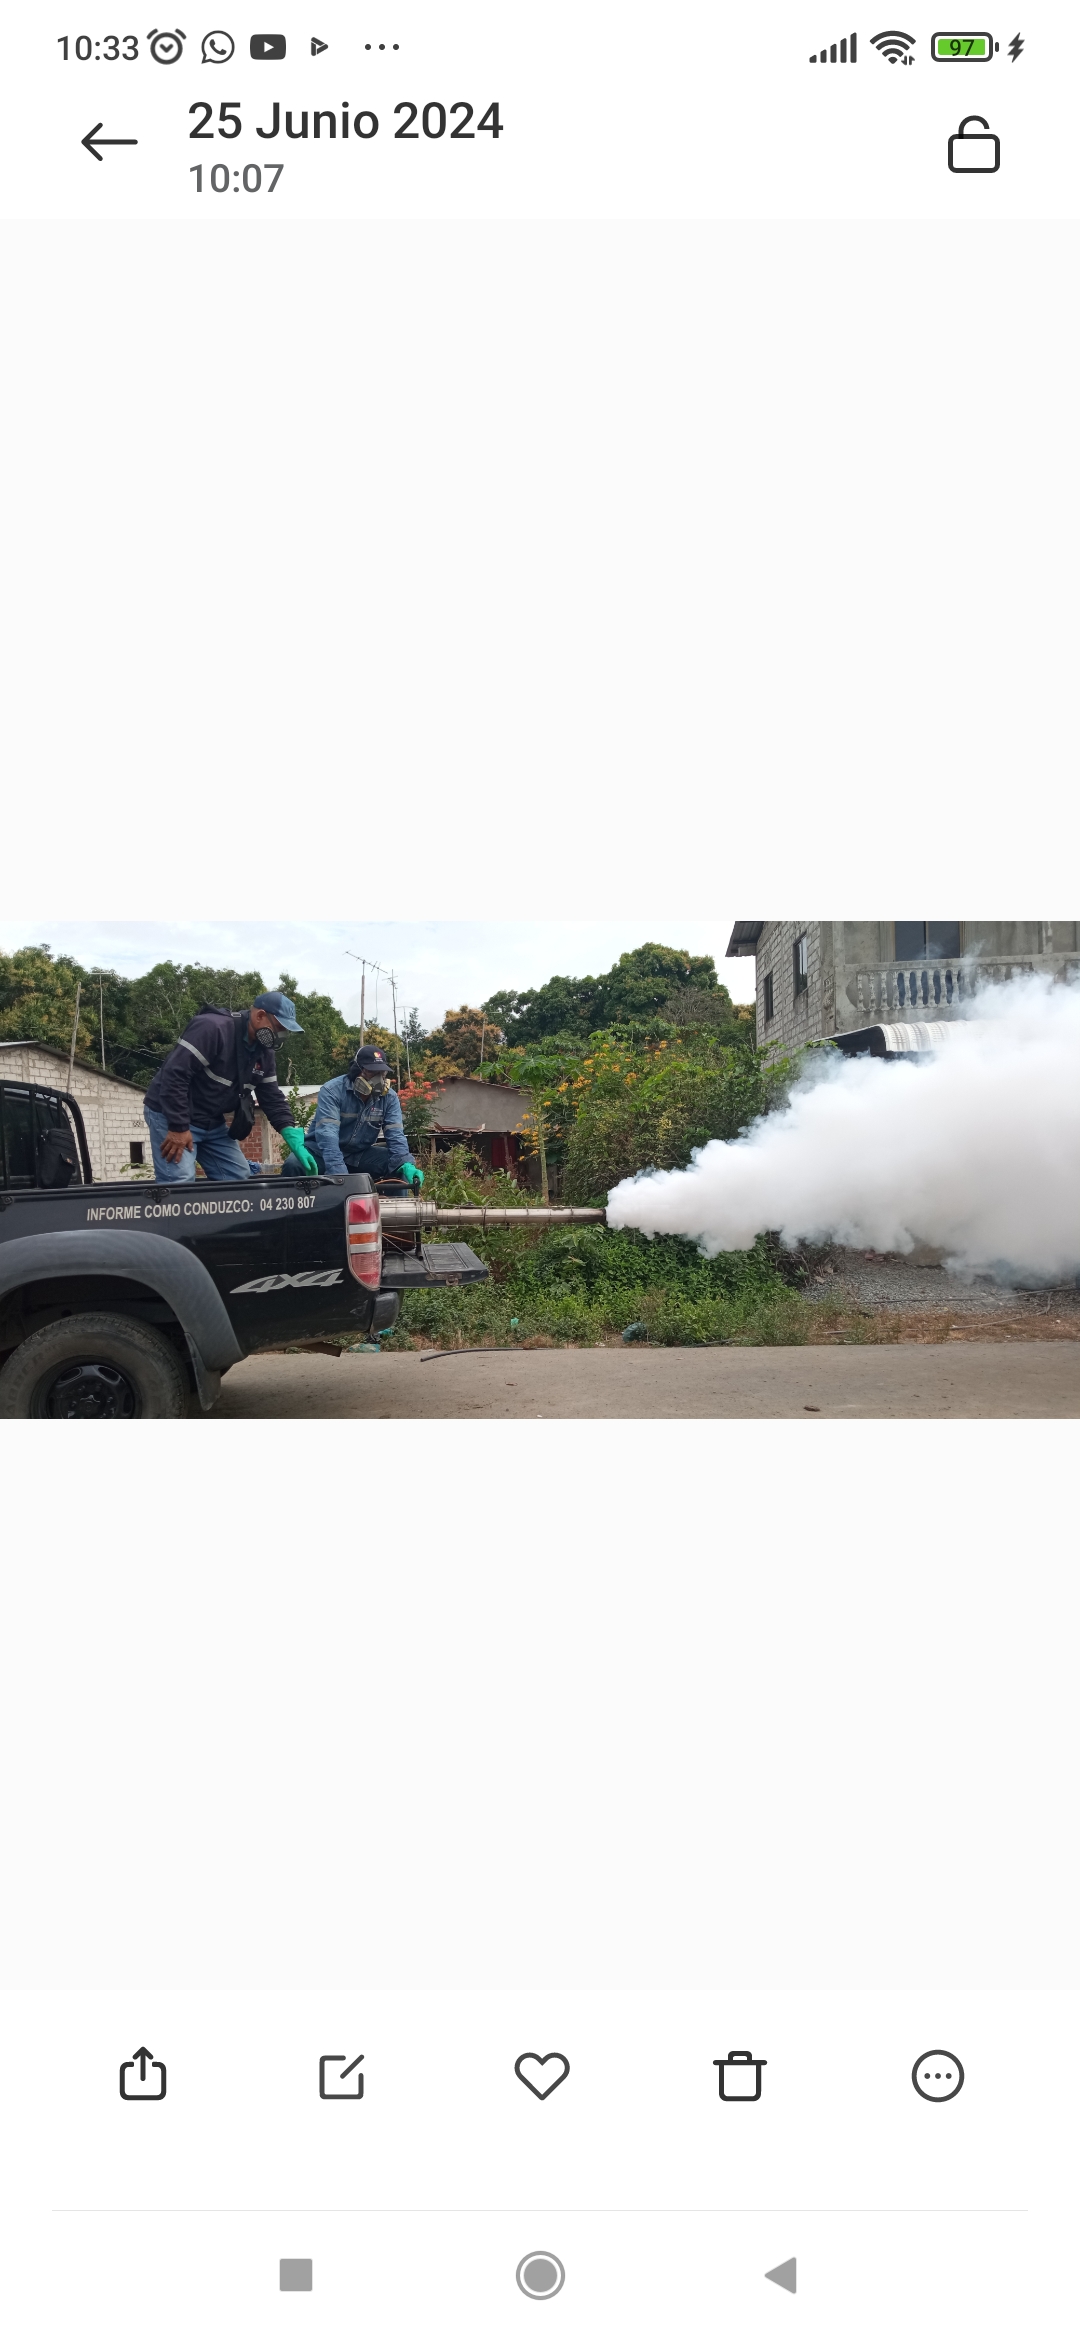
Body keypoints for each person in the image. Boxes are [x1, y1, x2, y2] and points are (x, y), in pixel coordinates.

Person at [143, 990, 320, 1183]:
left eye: (285, 1031)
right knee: (180, 1181)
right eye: (279, 1028)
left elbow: (271, 1097)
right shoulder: (213, 1028)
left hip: (211, 1120)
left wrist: (290, 1132)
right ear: (260, 1016)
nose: (280, 1036)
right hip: (171, 1113)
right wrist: (178, 1126)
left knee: (237, 1177)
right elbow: (174, 1074)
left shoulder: (264, 1052)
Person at [283, 1044, 424, 1187]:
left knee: (397, 1166)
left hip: (359, 1154)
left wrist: (405, 1163)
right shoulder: (332, 1091)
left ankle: (399, 1202)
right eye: (372, 1072)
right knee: (294, 1164)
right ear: (357, 1070)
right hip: (320, 1152)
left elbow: (396, 1135)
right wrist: (341, 1176)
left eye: (382, 1073)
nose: (379, 1079)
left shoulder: (389, 1098)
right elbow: (328, 1135)